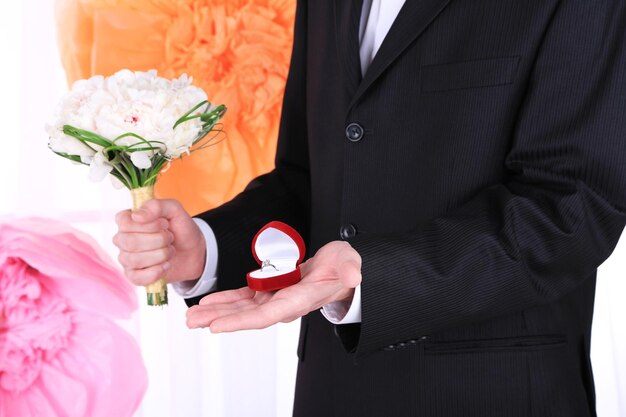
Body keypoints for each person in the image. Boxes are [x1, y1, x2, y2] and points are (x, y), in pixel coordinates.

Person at [113, 0, 626, 416]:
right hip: (330, 392)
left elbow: (573, 208)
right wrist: (206, 248)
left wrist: (372, 278)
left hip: (490, 392)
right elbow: (308, 178)